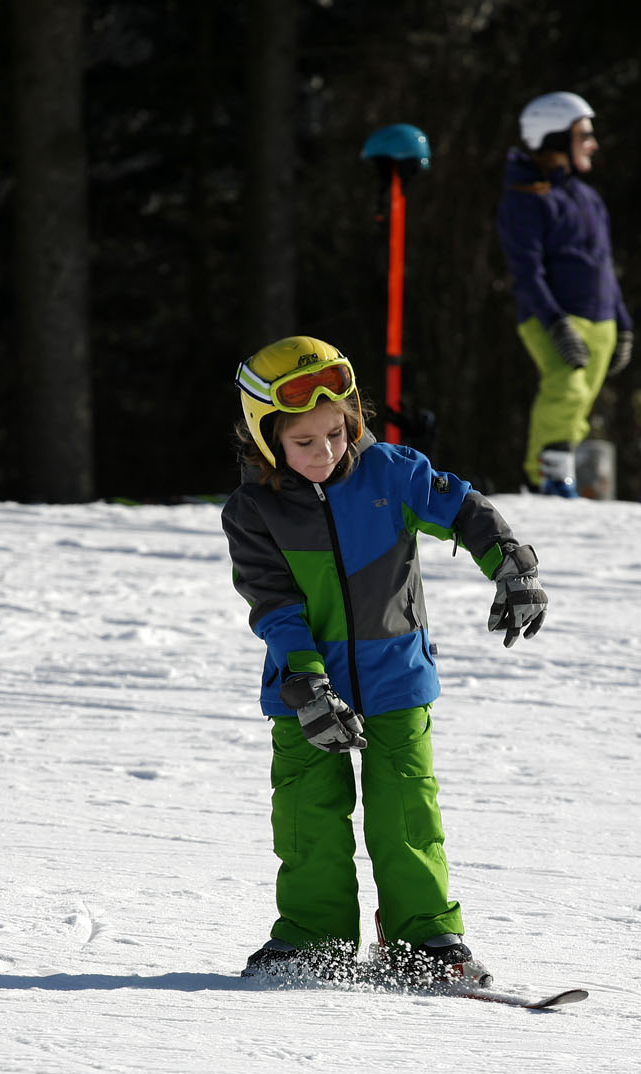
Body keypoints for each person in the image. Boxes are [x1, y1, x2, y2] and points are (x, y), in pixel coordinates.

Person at [221, 335, 549, 988]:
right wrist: (307, 684)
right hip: (304, 686)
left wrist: (510, 564)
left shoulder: (392, 472)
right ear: (265, 439)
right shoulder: (254, 513)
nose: (325, 454)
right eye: (303, 443)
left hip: (397, 677)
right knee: (308, 815)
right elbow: (276, 606)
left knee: (406, 813)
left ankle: (423, 941)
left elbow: (464, 510)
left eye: (336, 435)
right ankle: (314, 938)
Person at [496, 91, 635, 494]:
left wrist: (622, 324)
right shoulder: (525, 199)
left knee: (580, 403)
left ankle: (559, 472)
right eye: (583, 135)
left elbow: (605, 264)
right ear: (554, 137)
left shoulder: (588, 197)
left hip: (602, 318)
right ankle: (544, 477)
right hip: (553, 316)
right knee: (566, 389)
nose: (593, 144)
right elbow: (527, 270)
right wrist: (555, 323)